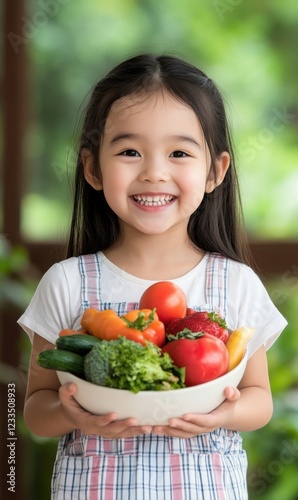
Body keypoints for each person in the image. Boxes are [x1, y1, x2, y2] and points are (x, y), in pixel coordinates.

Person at [19, 53, 287, 500]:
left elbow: (260, 400)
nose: (154, 172)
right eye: (129, 152)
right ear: (92, 168)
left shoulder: (235, 284)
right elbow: (31, 411)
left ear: (215, 171)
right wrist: (73, 417)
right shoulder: (67, 282)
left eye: (179, 152)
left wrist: (224, 415)